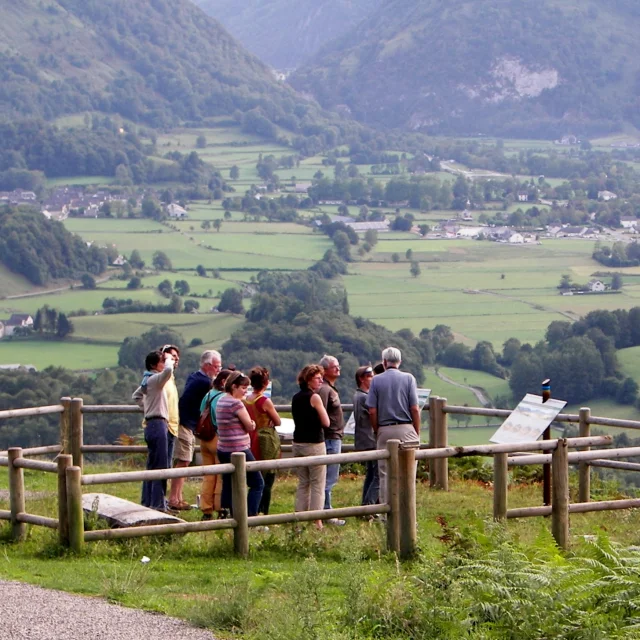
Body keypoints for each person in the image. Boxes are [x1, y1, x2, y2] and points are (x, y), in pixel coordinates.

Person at [168, 350, 221, 511]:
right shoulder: (204, 382)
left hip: (185, 422)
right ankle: (174, 499)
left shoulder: (195, 377)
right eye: (217, 366)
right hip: (185, 424)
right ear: (208, 366)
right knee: (183, 461)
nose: (219, 370)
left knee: (183, 461)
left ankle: (178, 497)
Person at [366, 347, 420, 504]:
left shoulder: (376, 380)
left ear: (384, 362)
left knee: (384, 473)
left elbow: (372, 410)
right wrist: (415, 430)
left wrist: (378, 430)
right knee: (409, 472)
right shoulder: (409, 378)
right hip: (406, 428)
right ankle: (408, 512)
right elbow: (415, 408)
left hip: (385, 429)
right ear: (400, 361)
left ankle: (386, 513)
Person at [216, 371, 264, 517]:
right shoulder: (236, 404)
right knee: (257, 483)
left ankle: (226, 512)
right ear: (234, 386)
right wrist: (253, 424)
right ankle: (249, 516)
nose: (245, 391)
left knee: (229, 483)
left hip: (223, 447)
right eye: (243, 388)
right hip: (239, 449)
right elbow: (249, 426)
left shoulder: (221, 400)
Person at [132, 349, 175, 511]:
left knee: (152, 464)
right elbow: (169, 371)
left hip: (151, 424)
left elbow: (136, 396)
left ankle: (148, 501)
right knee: (161, 466)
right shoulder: (156, 380)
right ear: (153, 365)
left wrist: (147, 408)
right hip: (158, 423)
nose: (164, 363)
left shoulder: (147, 380)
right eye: (162, 361)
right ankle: (158, 504)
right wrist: (169, 358)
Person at [292, 364, 330, 530]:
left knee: (303, 482)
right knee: (317, 483)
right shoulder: (314, 397)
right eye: (317, 378)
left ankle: (299, 517)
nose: (321, 380)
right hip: (314, 443)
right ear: (308, 380)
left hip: (298, 442)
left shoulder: (296, 397)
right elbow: (326, 422)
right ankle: (317, 519)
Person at [243, 366, 281, 515]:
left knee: (256, 474)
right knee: (267, 476)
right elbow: (277, 421)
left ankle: (254, 508)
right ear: (265, 383)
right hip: (265, 438)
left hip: (251, 436)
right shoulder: (264, 401)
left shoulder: (247, 399)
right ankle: (263, 511)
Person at [199, 369, 233, 520]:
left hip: (205, 439)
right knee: (221, 476)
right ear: (225, 382)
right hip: (218, 438)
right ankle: (221, 509)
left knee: (208, 475)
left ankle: (206, 509)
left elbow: (201, 412)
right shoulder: (223, 397)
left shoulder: (208, 395)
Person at [317, 354, 345, 526]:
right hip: (330, 438)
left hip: (333, 436)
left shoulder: (328, 388)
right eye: (335, 366)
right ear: (326, 370)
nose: (338, 368)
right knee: (329, 477)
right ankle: (326, 511)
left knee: (329, 476)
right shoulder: (325, 390)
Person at [353, 365, 379, 507]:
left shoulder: (358, 396)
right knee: (378, 475)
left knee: (370, 474)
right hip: (370, 439)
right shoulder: (365, 397)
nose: (373, 379)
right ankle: (369, 506)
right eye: (370, 376)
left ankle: (366, 504)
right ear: (361, 379)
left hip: (364, 439)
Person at [160, 344, 181, 465]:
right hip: (165, 426)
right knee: (162, 465)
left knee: (167, 464)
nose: (176, 359)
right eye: (172, 356)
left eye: (177, 357)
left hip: (172, 427)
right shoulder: (161, 377)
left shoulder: (171, 378)